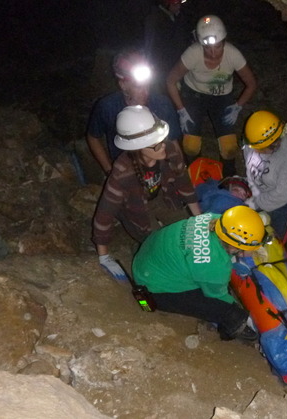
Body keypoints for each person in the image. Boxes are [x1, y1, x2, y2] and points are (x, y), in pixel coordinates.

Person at [92, 105, 200, 281]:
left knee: (189, 234)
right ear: (138, 148)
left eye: (162, 140)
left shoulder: (169, 150)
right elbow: (104, 213)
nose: (163, 147)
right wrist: (104, 256)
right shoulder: (122, 172)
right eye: (156, 146)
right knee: (162, 247)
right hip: (136, 210)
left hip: (163, 198)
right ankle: (144, 251)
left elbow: (184, 184)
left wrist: (198, 219)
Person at [132, 205, 267, 340]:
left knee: (211, 282)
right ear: (236, 246)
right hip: (153, 288)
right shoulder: (215, 263)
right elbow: (217, 295)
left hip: (147, 258)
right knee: (229, 312)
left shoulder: (215, 218)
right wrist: (237, 310)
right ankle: (232, 326)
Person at [166, 15, 257, 176]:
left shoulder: (233, 54)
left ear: (224, 41)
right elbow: (170, 81)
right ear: (201, 44)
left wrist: (238, 106)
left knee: (229, 147)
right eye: (208, 48)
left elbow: (251, 83)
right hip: (194, 94)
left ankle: (229, 176)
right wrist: (181, 110)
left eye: (218, 46)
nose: (213, 53)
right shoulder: (192, 54)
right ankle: (195, 172)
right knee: (190, 145)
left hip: (221, 98)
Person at [87, 48, 181, 175]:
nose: (145, 91)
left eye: (147, 84)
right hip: (125, 170)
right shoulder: (107, 107)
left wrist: (180, 168)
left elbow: (173, 142)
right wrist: (109, 170)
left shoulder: (162, 104)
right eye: (138, 86)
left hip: (158, 165)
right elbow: (93, 137)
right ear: (123, 84)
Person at [243, 110, 287, 238]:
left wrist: (257, 203)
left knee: (279, 237)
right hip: (259, 191)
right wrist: (253, 190)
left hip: (284, 202)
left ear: (274, 145)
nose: (255, 151)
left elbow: (281, 195)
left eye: (260, 150)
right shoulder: (253, 139)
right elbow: (249, 166)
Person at [144, 0, 191, 91]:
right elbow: (152, 44)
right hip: (163, 66)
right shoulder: (155, 18)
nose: (178, 7)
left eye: (179, 4)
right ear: (166, 4)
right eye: (175, 4)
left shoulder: (176, 17)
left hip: (177, 62)